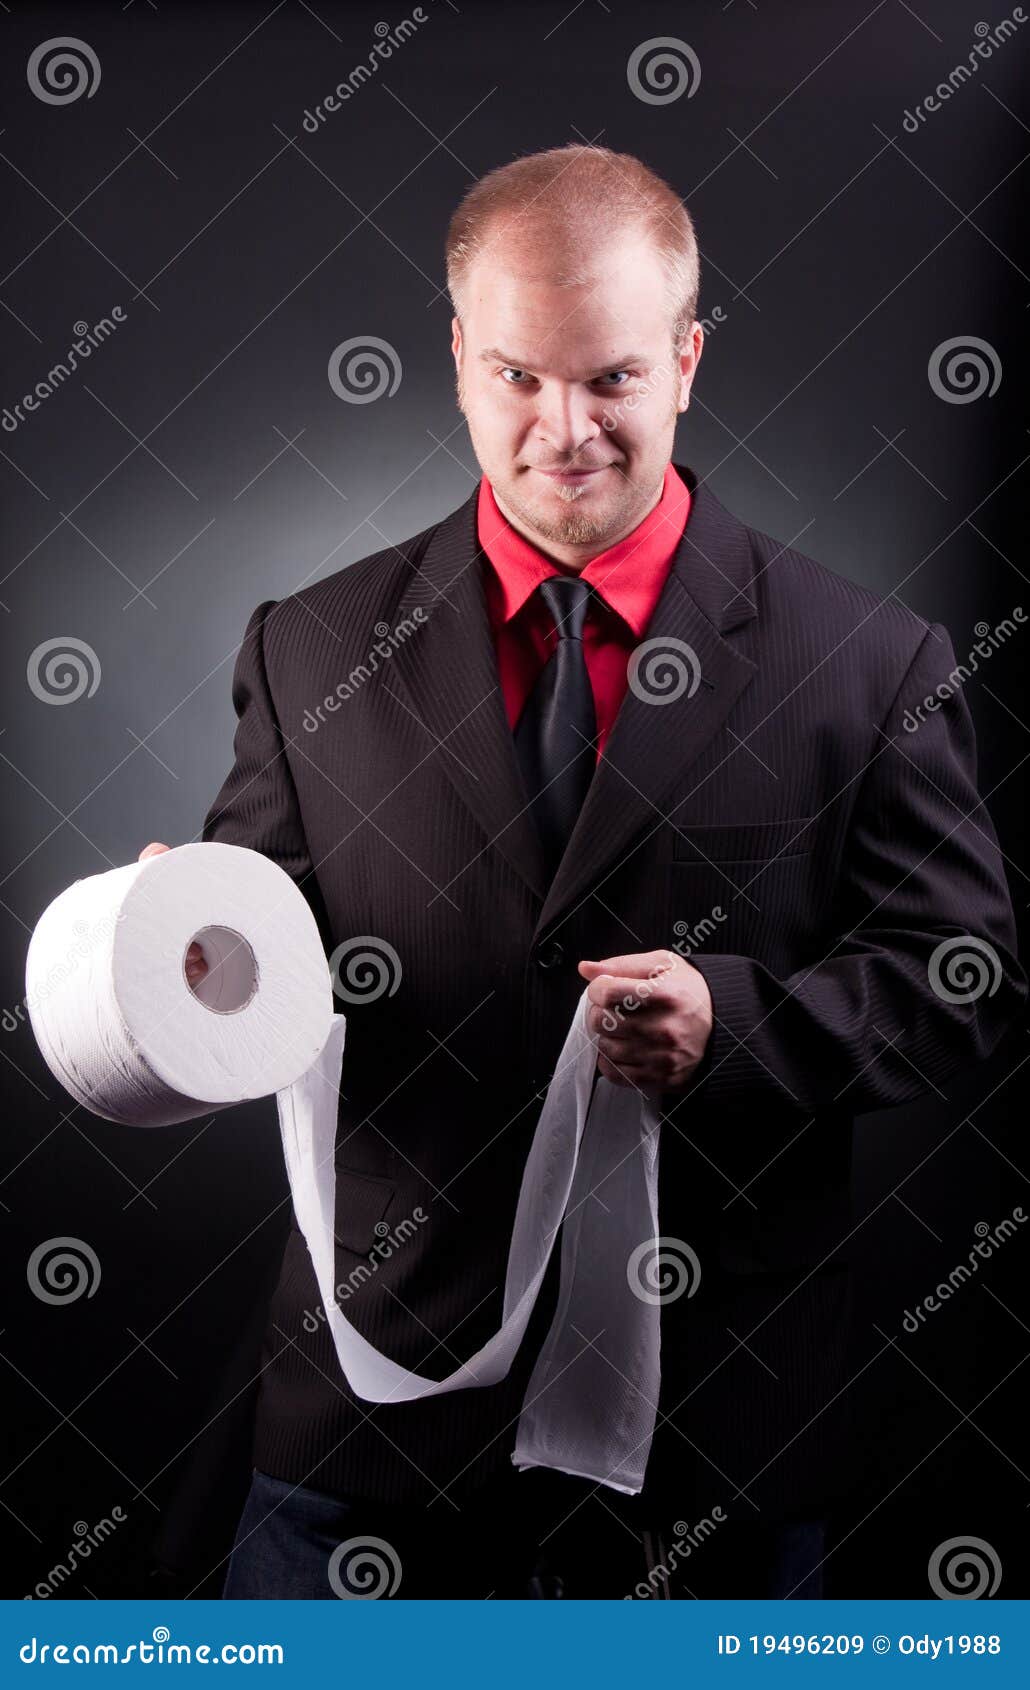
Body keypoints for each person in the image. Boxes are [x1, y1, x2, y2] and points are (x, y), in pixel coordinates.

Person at [142, 143, 1025, 1599]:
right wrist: (193, 948)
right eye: (518, 377)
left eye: (611, 379)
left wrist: (739, 1027)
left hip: (715, 1438)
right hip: (375, 1420)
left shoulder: (868, 665)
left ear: (684, 357)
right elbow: (266, 955)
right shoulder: (305, 646)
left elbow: (966, 980)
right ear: (454, 358)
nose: (565, 431)